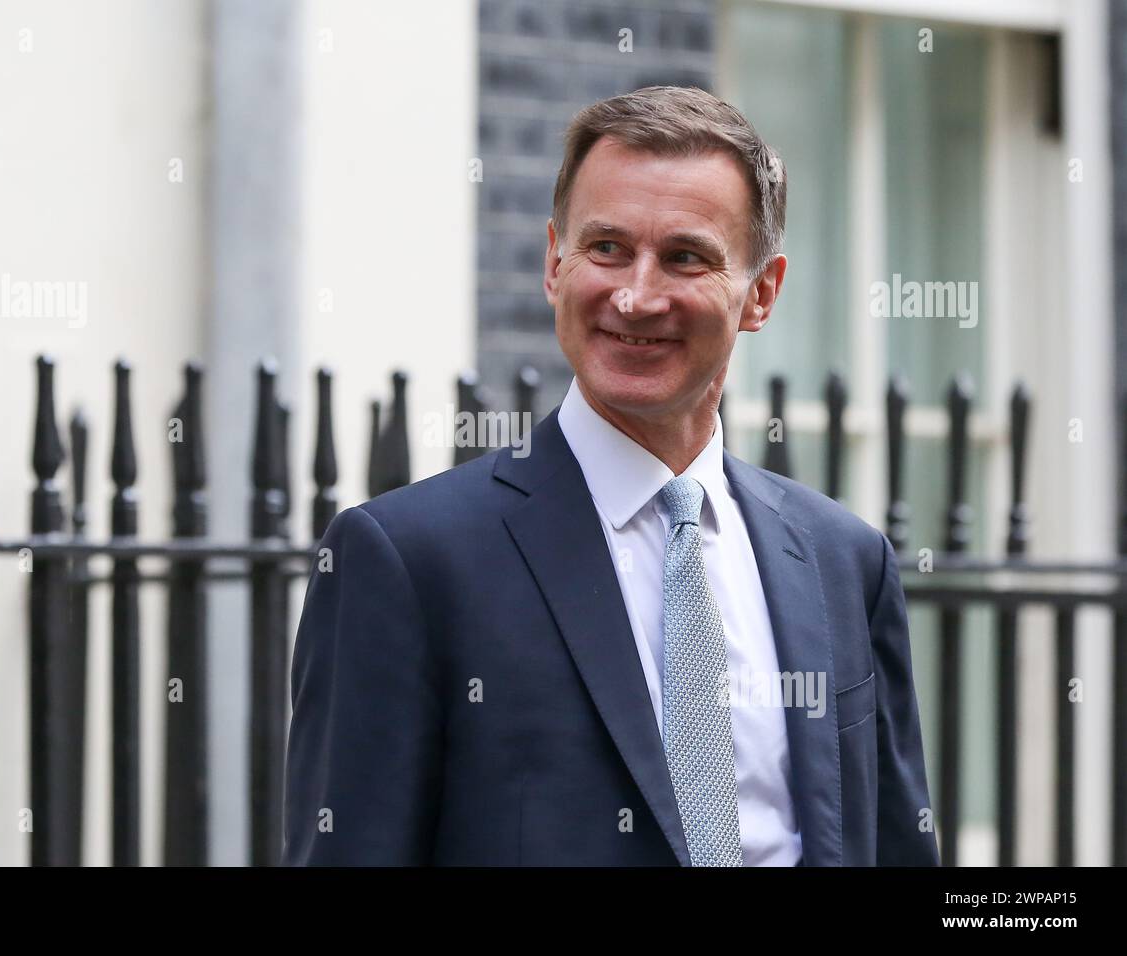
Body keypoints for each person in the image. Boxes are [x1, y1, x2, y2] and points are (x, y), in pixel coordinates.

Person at [282, 85, 939, 866]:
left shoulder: (844, 562)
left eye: (685, 257)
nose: (636, 294)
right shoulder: (408, 561)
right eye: (607, 248)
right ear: (554, 262)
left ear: (761, 293)